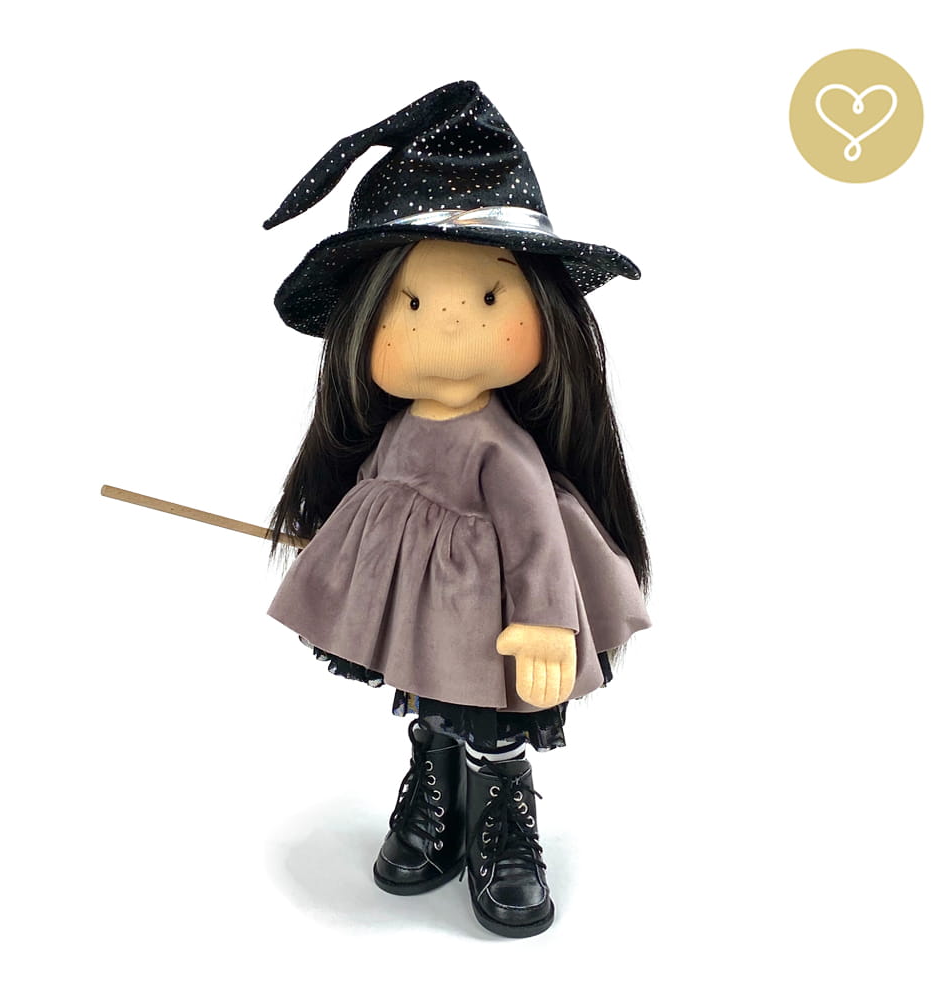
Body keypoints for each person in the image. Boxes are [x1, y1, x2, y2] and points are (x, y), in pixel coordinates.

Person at [263, 81, 651, 938]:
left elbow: (537, 536)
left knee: (493, 719)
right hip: (423, 613)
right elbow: (374, 502)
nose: (445, 324)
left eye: (487, 299)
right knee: (431, 706)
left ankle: (502, 807)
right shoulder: (395, 431)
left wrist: (545, 625)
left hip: (497, 618)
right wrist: (334, 548)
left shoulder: (501, 448)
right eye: (410, 304)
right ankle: (435, 785)